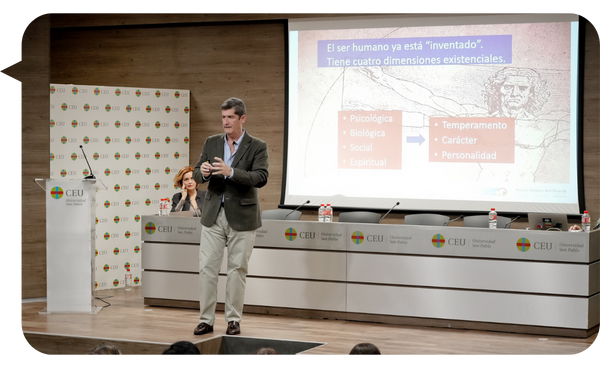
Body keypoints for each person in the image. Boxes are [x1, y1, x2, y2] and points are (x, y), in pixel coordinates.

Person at [192, 97, 269, 336]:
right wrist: (203, 173)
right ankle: (206, 319)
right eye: (223, 117)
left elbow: (261, 177)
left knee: (237, 270)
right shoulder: (211, 142)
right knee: (207, 269)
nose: (225, 122)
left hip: (243, 217)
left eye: (230, 117)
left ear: (242, 118)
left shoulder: (257, 145)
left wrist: (232, 171)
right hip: (213, 215)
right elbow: (195, 173)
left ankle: (233, 320)